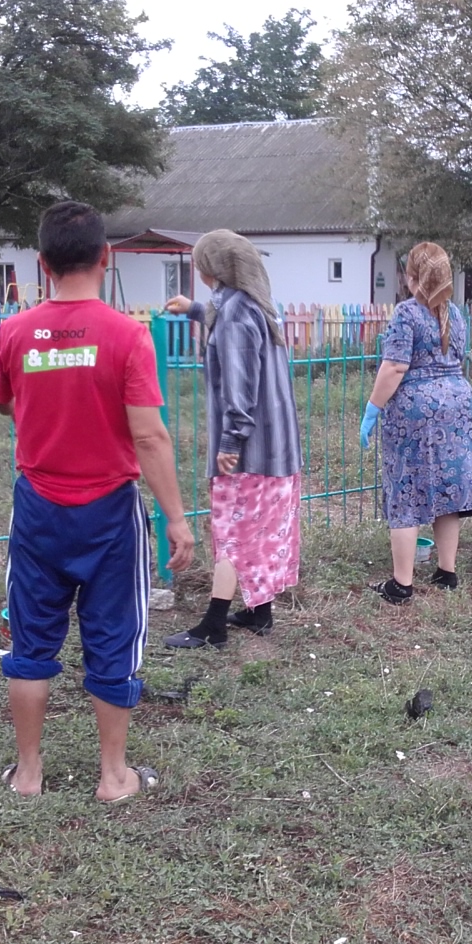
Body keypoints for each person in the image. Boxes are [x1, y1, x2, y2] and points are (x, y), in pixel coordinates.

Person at [0, 201, 196, 800]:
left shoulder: (14, 332)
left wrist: (46, 407)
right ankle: (113, 776)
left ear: (42, 263)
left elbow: (3, 401)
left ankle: (28, 774)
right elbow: (149, 436)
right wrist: (177, 519)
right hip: (110, 514)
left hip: (38, 509)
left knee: (31, 642)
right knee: (113, 637)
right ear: (106, 257)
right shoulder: (127, 335)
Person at [162, 230, 303, 646]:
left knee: (233, 530)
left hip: (250, 450)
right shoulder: (256, 304)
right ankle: (260, 612)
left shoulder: (236, 314)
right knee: (261, 528)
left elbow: (239, 386)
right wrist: (195, 309)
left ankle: (214, 626)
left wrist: (231, 441)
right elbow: (223, 316)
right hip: (277, 447)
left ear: (214, 268)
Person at [360, 242, 472, 603]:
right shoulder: (456, 314)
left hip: (416, 410)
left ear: (411, 277)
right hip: (458, 405)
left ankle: (402, 584)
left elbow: (395, 367)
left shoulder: (406, 313)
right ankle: (446, 572)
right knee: (447, 489)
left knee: (406, 490)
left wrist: (372, 408)